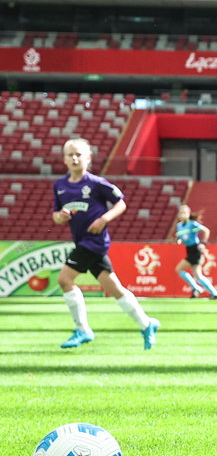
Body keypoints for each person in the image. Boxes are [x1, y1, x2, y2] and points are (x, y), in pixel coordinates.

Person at [52, 139, 160, 350]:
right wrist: (60, 216)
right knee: (115, 288)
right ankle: (147, 324)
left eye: (79, 154)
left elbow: (121, 203)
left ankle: (82, 330)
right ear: (64, 159)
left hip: (94, 241)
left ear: (88, 158)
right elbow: (55, 216)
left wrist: (104, 219)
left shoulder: (96, 183)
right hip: (82, 240)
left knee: (65, 280)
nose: (74, 158)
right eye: (70, 155)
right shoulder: (60, 186)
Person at [173, 204, 217, 299]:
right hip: (189, 250)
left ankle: (199, 289)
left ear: (188, 214)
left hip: (195, 249)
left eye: (185, 212)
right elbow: (180, 236)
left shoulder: (192, 224)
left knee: (180, 269)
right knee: (198, 275)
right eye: (181, 212)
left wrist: (203, 243)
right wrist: (179, 240)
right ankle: (213, 293)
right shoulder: (179, 226)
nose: (183, 214)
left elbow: (206, 231)